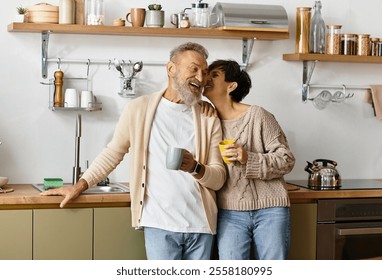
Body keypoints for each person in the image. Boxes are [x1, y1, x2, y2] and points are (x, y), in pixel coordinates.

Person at [42, 42, 226, 260]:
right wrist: (79, 186)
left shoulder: (208, 117)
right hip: (159, 224)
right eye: (193, 69)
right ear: (171, 69)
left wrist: (195, 167)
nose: (201, 78)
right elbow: (113, 153)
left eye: (204, 72)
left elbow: (218, 178)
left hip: (201, 227)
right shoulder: (139, 109)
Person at [203, 59, 295, 260]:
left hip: (271, 209)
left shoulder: (258, 115)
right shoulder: (207, 120)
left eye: (214, 75)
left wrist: (247, 158)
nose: (206, 78)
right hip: (229, 211)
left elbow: (286, 159)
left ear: (231, 86)